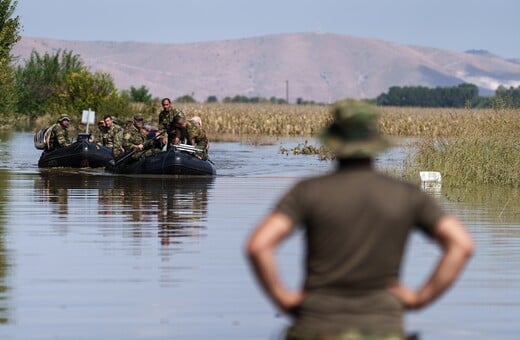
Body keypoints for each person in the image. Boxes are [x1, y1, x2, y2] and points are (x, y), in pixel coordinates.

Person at [246, 99, 474, 340]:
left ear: (333, 142)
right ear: (375, 143)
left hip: (317, 324)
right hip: (384, 327)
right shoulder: (405, 194)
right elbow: (461, 244)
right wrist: (421, 298)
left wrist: (284, 299)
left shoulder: (308, 191)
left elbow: (258, 245)